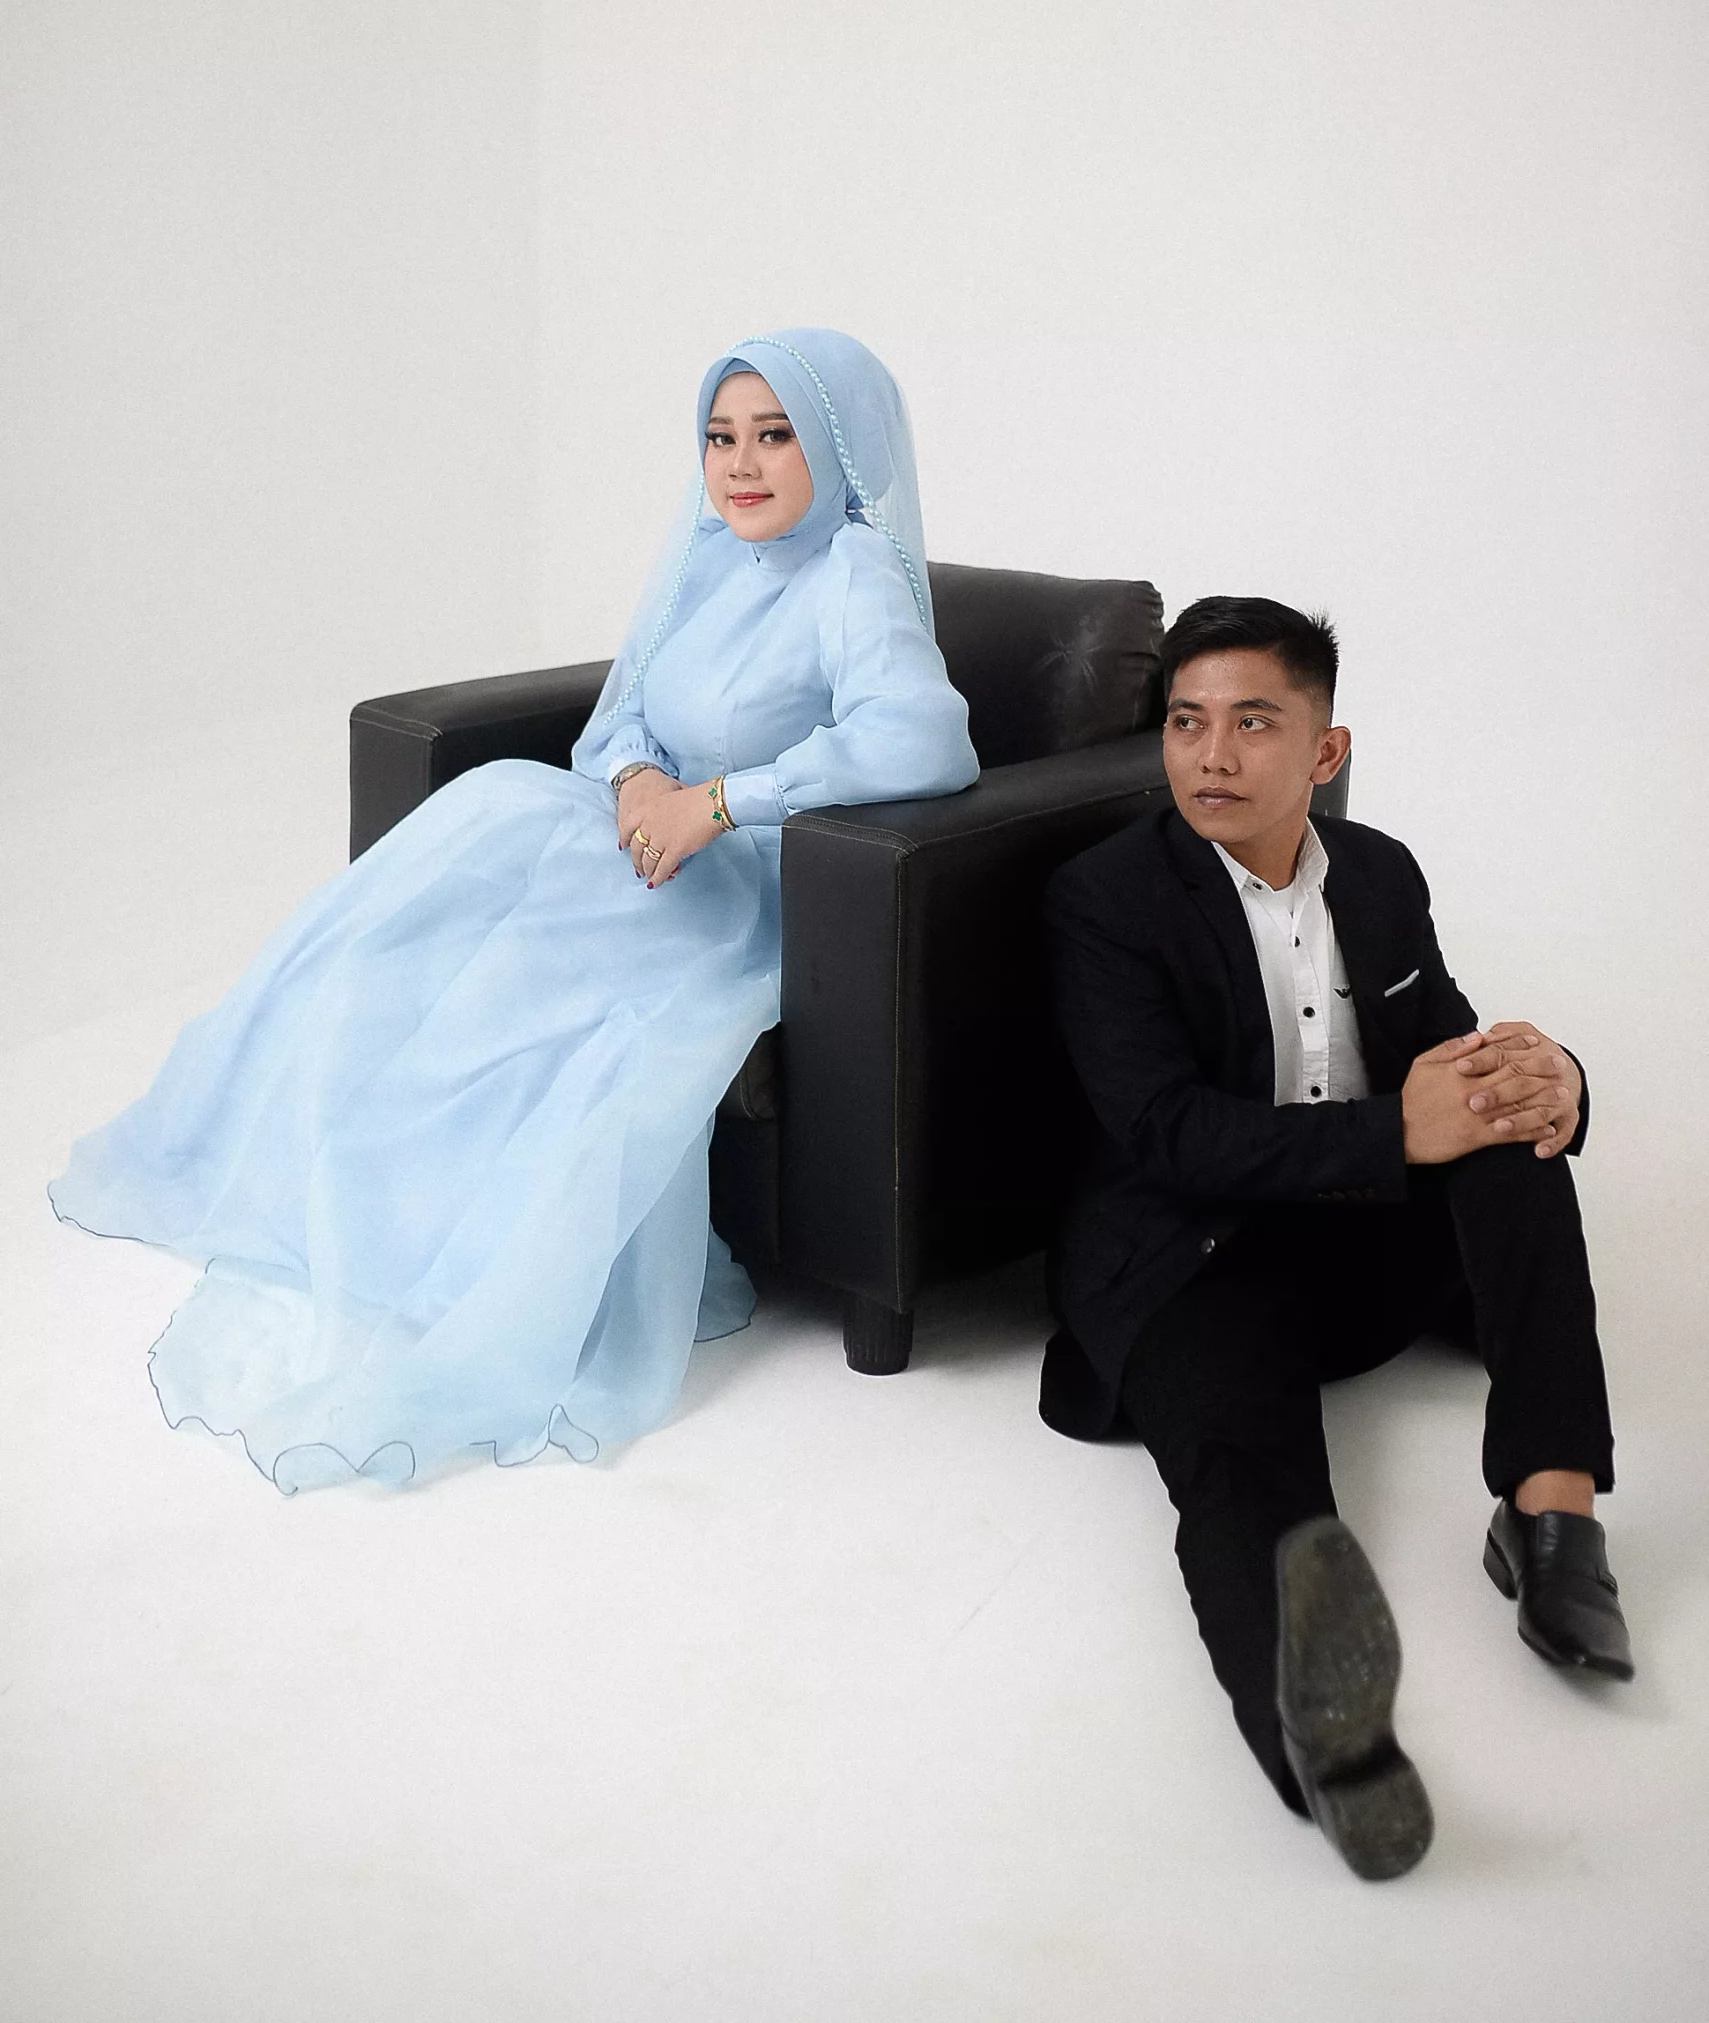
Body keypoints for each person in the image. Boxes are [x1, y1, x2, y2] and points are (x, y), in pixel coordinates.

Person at [51, 330, 978, 1491]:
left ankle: (457, 1263)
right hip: (640, 839)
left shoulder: (850, 573)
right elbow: (626, 710)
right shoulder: (709, 557)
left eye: (774, 435)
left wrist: (719, 803)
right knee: (449, 869)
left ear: (835, 446)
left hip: (747, 885)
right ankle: (362, 1201)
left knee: (521, 964)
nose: (739, 466)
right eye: (719, 437)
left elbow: (921, 740)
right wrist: (637, 779)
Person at [1040, 595, 1630, 1881]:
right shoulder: (1104, 901)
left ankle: (1550, 1513)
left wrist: (1555, 1080)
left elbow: (1447, 1049)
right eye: (1186, 722)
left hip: (1357, 1247)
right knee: (1244, 1476)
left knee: (1510, 1141)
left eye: (1252, 723)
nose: (1211, 755)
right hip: (1195, 1258)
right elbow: (1163, 1133)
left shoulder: (1379, 872)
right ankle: (1321, 1740)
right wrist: (1397, 1132)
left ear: (1324, 749)